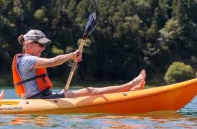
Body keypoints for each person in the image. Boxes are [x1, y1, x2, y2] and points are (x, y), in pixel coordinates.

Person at [12, 29, 146, 99]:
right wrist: (71, 55)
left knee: (88, 91)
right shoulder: (27, 60)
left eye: (43, 45)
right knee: (91, 91)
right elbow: (52, 62)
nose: (43, 48)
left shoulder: (25, 59)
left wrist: (61, 93)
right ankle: (130, 85)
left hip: (44, 97)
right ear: (29, 45)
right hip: (40, 100)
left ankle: (130, 90)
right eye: (40, 45)